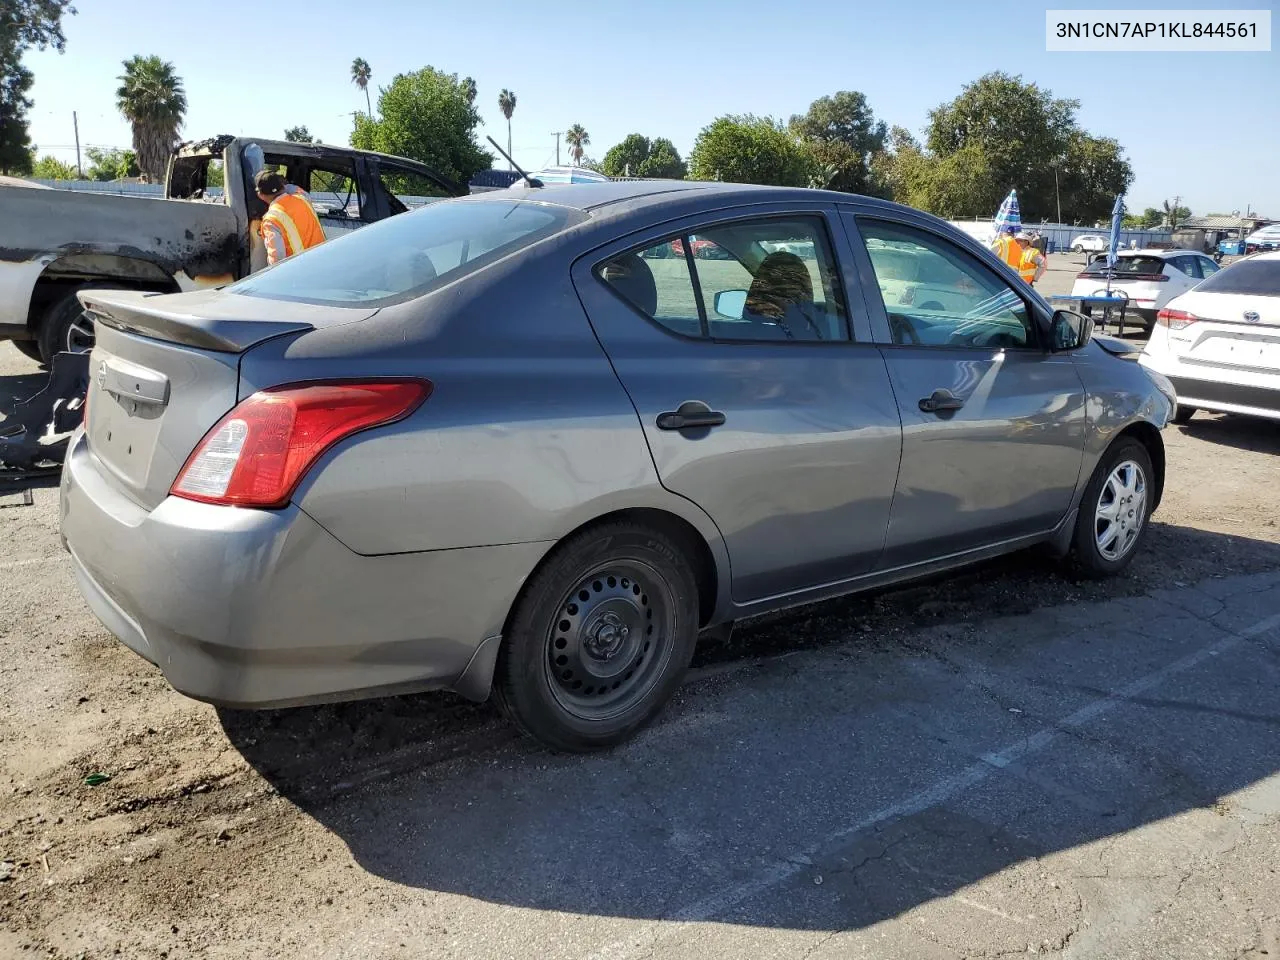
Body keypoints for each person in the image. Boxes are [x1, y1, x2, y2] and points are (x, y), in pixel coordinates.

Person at [254, 170, 325, 266]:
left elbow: (277, 260)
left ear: (260, 195)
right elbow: (295, 189)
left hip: (300, 272)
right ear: (283, 186)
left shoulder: (271, 221)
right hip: (323, 260)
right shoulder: (302, 198)